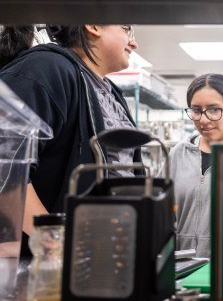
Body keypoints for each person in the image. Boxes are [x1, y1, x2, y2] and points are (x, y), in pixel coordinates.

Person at [0, 24, 141, 259]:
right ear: (94, 25)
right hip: (41, 270)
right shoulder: (44, 69)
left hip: (100, 262)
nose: (134, 42)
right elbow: (6, 171)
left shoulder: (110, 92)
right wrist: (56, 245)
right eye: (127, 29)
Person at [162, 74, 223, 257]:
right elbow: (161, 214)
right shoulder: (179, 154)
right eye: (196, 110)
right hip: (183, 268)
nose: (204, 119)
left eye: (214, 110)